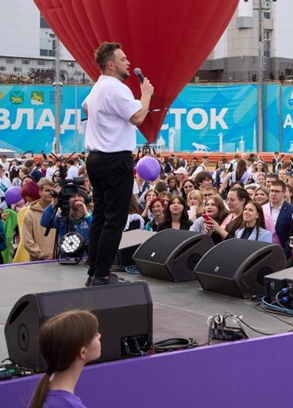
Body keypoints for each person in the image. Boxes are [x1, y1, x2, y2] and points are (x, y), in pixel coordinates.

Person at [82, 42, 153, 286]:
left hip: (95, 158)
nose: (128, 63)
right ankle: (102, 274)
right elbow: (138, 116)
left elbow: (86, 108)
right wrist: (146, 94)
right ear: (111, 64)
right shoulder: (116, 88)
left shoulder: (98, 87)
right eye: (123, 59)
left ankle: (94, 270)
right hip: (115, 157)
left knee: (101, 215)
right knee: (115, 218)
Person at [28, 310, 101, 408]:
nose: (99, 335)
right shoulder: (69, 405)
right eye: (94, 335)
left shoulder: (41, 396)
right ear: (83, 352)